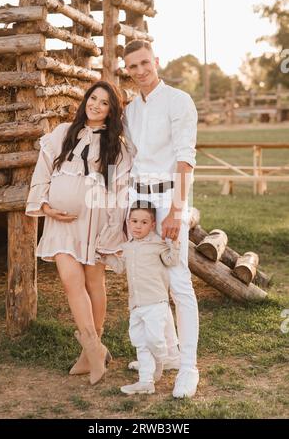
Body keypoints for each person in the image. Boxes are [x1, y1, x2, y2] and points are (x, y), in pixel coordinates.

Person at [25, 81, 131, 385]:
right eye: (93, 98)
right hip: (61, 222)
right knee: (71, 282)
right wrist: (45, 207)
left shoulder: (115, 146)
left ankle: (89, 356)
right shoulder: (62, 133)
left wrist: (111, 230)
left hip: (93, 222)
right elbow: (42, 171)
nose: (96, 105)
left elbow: (117, 190)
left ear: (112, 111)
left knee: (93, 281)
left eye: (104, 103)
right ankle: (95, 349)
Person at [122, 40, 199, 398]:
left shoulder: (178, 101)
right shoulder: (131, 109)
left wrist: (177, 209)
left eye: (144, 63)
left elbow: (185, 158)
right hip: (140, 198)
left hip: (170, 196)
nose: (139, 71)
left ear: (156, 61)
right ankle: (165, 354)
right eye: (132, 66)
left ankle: (188, 366)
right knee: (150, 280)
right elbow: (135, 158)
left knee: (178, 280)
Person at [99, 201, 180, 395]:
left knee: (154, 340)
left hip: (156, 303)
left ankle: (161, 359)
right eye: (134, 221)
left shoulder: (157, 243)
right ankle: (145, 382)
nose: (138, 226)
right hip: (135, 305)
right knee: (140, 342)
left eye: (144, 222)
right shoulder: (127, 247)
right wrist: (104, 256)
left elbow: (172, 260)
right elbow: (119, 268)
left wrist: (175, 244)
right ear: (128, 222)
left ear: (152, 225)